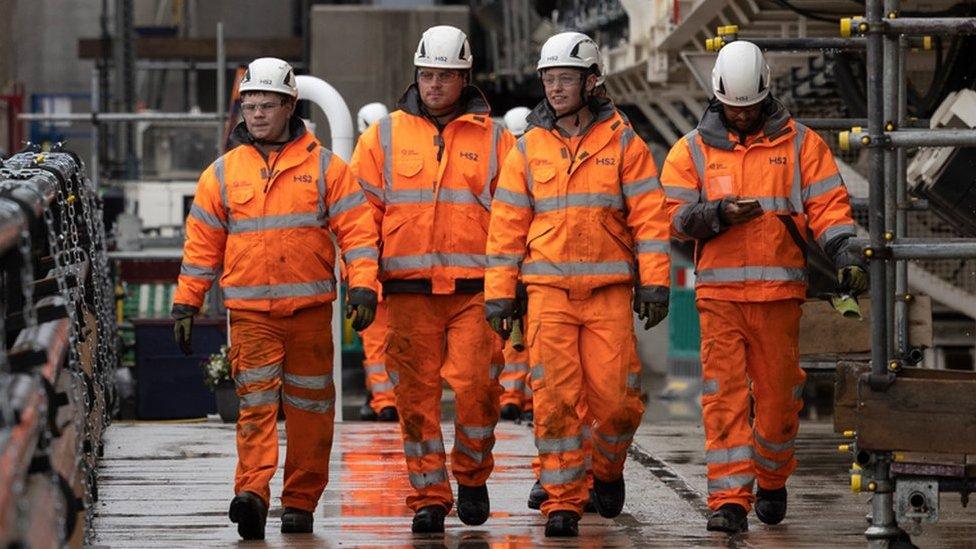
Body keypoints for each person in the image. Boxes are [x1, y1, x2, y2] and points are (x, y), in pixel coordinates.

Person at [660, 40, 868, 534]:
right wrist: (717, 215)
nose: (742, 116)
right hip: (720, 299)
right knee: (724, 398)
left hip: (778, 298)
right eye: (734, 108)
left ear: (765, 97)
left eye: (749, 107)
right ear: (718, 99)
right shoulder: (691, 150)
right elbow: (671, 220)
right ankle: (729, 498)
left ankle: (771, 479)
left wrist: (845, 252)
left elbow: (829, 209)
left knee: (778, 399)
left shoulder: (800, 145)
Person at [171, 57, 379, 540]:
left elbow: (358, 234)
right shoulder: (221, 175)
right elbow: (202, 246)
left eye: (267, 105)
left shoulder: (326, 168)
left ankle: (301, 502)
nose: (257, 114)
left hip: (309, 316)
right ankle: (252, 494)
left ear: (290, 106)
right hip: (250, 317)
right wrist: (187, 301)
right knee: (255, 409)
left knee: (310, 412)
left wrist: (364, 284)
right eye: (250, 105)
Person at [485, 31, 671, 537]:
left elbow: (650, 222)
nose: (555, 88)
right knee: (555, 401)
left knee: (617, 403)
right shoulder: (528, 149)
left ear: (592, 82)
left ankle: (606, 471)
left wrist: (655, 283)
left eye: (565, 78)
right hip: (547, 295)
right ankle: (563, 499)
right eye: (548, 78)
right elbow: (506, 228)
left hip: (609, 292)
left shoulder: (625, 144)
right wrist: (499, 292)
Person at [350, 25, 514, 533]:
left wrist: (511, 288)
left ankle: (470, 475)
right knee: (415, 401)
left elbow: (515, 216)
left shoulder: (497, 139)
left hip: (475, 292)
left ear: (465, 77)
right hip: (407, 291)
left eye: (444, 75)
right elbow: (359, 217)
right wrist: (362, 282)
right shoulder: (383, 136)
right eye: (427, 74)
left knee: (478, 392)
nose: (434, 84)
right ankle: (428, 496)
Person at [353, 101, 398, 422]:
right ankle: (383, 399)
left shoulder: (359, 164)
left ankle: (383, 401)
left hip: (377, 276)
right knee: (390, 344)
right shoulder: (396, 158)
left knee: (377, 345)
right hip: (391, 275)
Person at [497, 105, 533, 423]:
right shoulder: (521, 162)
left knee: (520, 338)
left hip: (530, 269)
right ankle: (520, 396)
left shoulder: (514, 162)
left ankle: (513, 396)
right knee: (521, 338)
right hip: (528, 268)